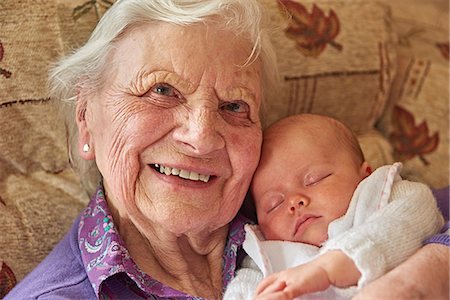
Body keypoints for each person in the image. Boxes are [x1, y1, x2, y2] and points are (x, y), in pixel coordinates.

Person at [4, 1, 449, 299]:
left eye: (234, 105)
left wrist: (422, 275)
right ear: (86, 116)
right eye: (161, 89)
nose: (201, 137)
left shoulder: (284, 202)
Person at [224, 114, 445, 300]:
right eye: (274, 204)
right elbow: (241, 290)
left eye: (315, 180)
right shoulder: (266, 256)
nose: (294, 202)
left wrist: (330, 265)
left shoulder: (381, 198)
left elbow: (414, 216)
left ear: (365, 176)